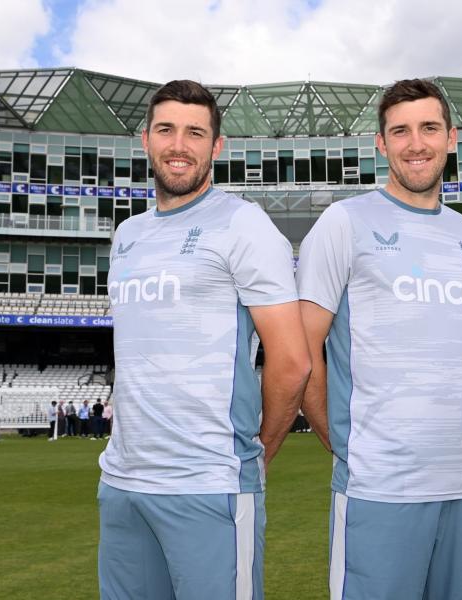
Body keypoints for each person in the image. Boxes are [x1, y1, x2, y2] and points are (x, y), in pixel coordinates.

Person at [97, 80, 311, 600]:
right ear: (145, 139)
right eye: (167, 130)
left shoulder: (244, 224)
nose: (179, 145)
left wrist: (258, 454)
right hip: (123, 484)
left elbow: (293, 360)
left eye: (196, 133)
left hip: (208, 484)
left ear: (216, 147)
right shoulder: (127, 235)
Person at [296, 79, 462, 600]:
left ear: (451, 138)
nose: (416, 143)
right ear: (382, 144)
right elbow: (300, 350)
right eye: (401, 131)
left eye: (429, 128)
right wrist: (339, 443)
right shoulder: (344, 222)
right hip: (381, 487)